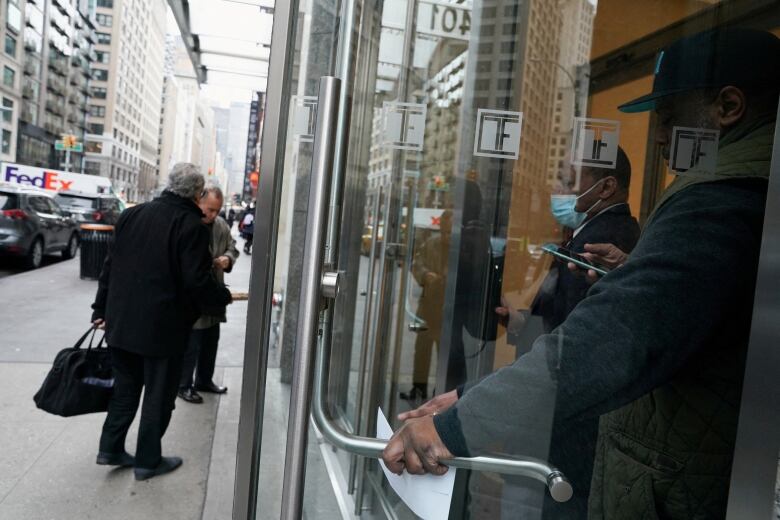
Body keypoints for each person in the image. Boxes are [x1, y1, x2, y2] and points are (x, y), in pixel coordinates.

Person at [382, 28, 779, 520]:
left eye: (670, 118)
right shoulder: (746, 195)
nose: (658, 135)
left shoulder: (722, 202)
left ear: (728, 106)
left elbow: (614, 336)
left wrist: (456, 425)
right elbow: (682, 311)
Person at [91, 163, 232, 481]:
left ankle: (110, 447)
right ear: (198, 194)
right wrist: (221, 297)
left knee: (125, 391)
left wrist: (100, 308)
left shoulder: (132, 214)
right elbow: (197, 281)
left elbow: (110, 267)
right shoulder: (191, 226)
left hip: (122, 325)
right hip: (163, 331)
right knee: (158, 396)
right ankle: (147, 461)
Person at [530, 147, 640, 333]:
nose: (556, 189)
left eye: (568, 181)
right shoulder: (620, 227)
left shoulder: (597, 243)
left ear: (606, 188)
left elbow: (568, 327)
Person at [178, 186, 240, 404]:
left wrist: (227, 259)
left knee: (211, 340)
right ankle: (184, 384)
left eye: (217, 210)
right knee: (191, 344)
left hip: (214, 292)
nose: (212, 214)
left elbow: (233, 248)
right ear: (199, 202)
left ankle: (204, 380)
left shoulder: (221, 225)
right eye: (210, 209)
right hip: (194, 296)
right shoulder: (189, 224)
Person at [400, 210, 453, 402]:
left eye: (450, 232)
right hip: (428, 306)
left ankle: (439, 394)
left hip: (447, 310)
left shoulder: (460, 248)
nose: (447, 235)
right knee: (421, 351)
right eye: (445, 230)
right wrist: (426, 275)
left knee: (443, 355)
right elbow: (417, 264)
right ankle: (418, 388)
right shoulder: (431, 244)